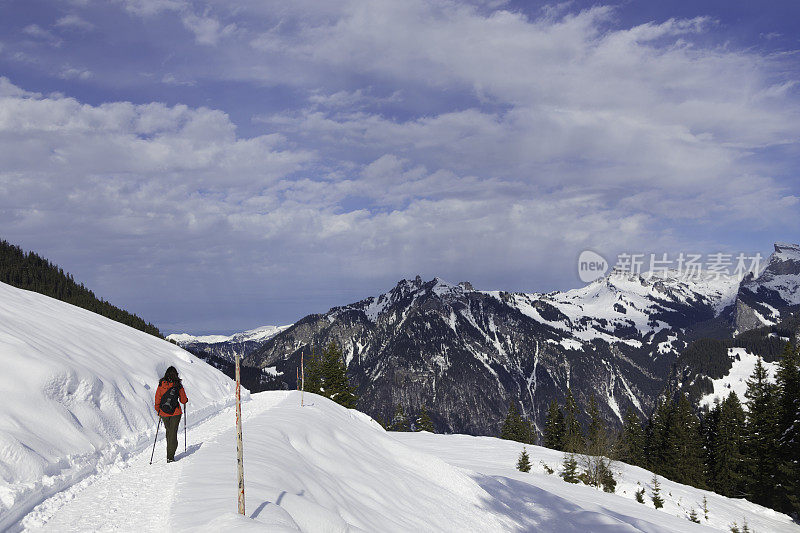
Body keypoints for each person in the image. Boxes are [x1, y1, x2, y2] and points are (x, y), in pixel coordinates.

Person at [154, 366, 188, 463]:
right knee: (173, 433)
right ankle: (170, 456)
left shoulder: (161, 384)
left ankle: (169, 453)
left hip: (164, 413)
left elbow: (157, 399)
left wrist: (159, 411)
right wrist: (185, 400)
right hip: (175, 413)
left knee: (169, 432)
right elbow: (183, 400)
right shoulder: (178, 385)